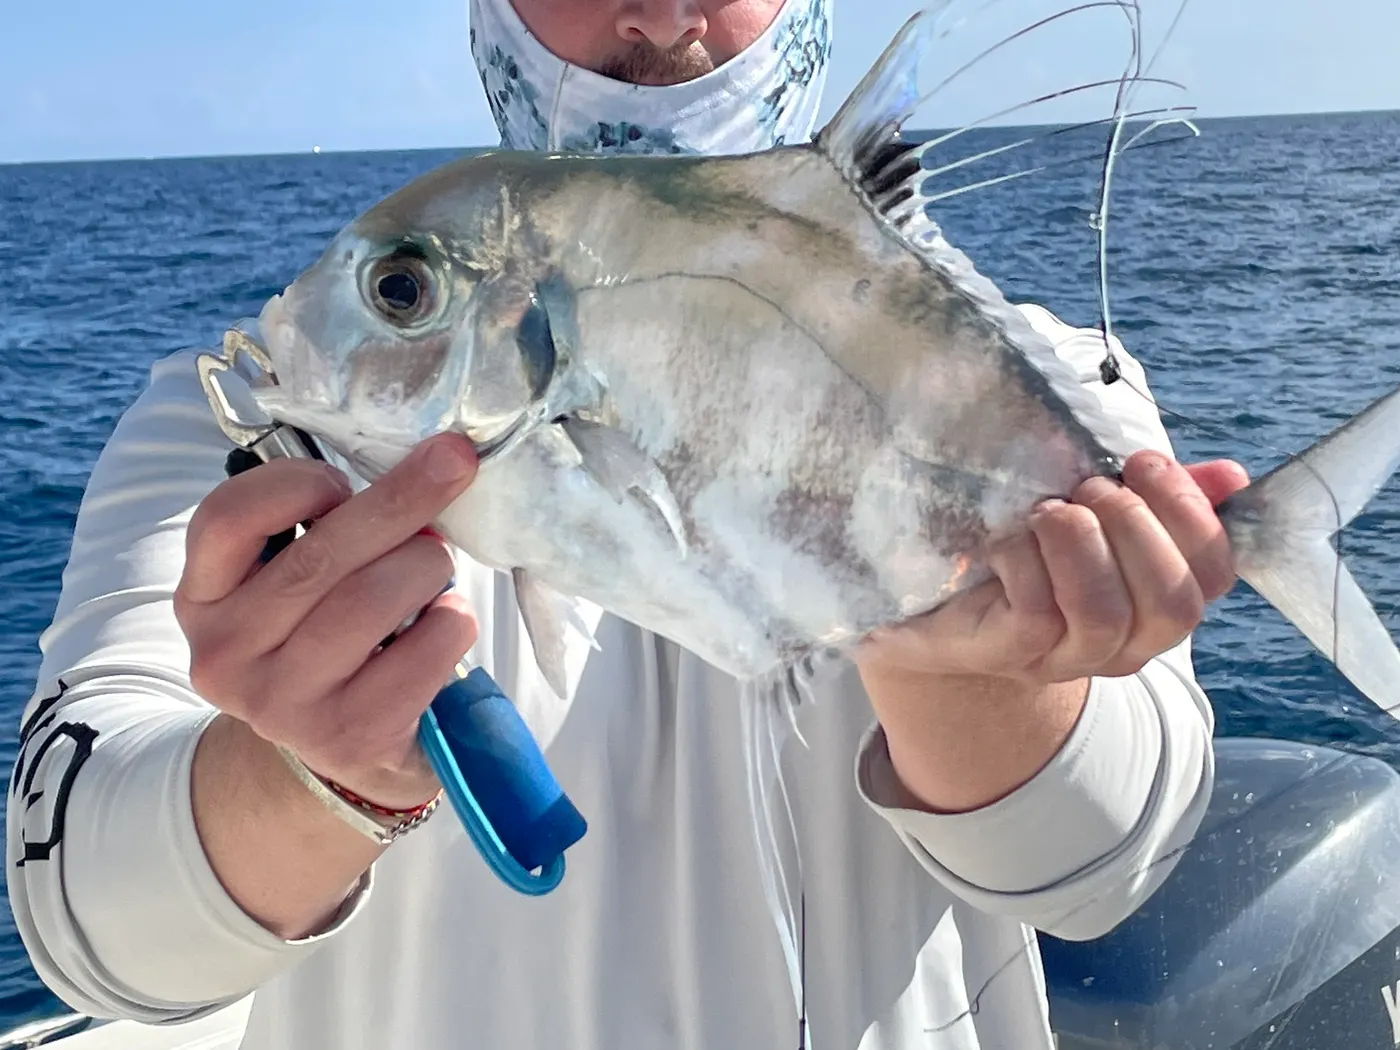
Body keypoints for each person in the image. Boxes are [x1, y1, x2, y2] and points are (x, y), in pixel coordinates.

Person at [6, 1, 1249, 1047]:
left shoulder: (1041, 389)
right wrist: (306, 780)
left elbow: (1100, 872)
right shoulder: (247, 431)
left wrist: (961, 660)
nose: (656, 14)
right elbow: (87, 928)